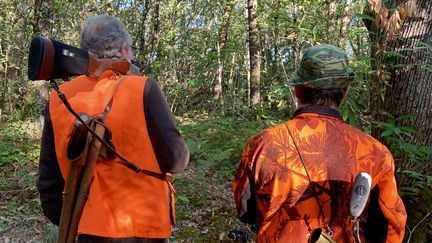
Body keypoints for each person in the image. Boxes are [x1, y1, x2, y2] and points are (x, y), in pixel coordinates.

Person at [36, 15, 189, 242]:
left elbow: (49, 184)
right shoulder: (144, 88)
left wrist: (76, 219)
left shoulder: (59, 98)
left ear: (85, 52)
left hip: (87, 228)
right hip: (146, 228)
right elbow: (177, 160)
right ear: (125, 51)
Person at [232, 44, 407, 242]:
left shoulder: (262, 144)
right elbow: (392, 223)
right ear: (345, 92)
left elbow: (245, 211)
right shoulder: (374, 152)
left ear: (298, 90)